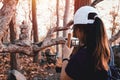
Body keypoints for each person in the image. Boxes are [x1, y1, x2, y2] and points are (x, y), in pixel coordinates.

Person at [60, 6, 111, 80]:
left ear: (78, 30)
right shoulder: (106, 51)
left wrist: (65, 57)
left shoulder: (80, 57)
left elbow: (64, 78)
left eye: (74, 29)